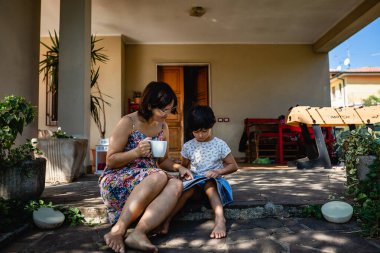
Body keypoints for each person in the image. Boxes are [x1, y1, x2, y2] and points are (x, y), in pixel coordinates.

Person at [99, 81, 192, 253]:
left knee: (176, 183)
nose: (167, 114)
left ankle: (139, 233)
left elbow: (162, 161)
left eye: (169, 109)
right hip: (118, 179)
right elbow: (110, 161)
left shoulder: (163, 126)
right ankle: (118, 230)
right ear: (149, 106)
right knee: (159, 176)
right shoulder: (128, 122)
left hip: (149, 179)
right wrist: (136, 152)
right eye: (163, 110)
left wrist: (179, 167)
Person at [161, 105, 238, 239]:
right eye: (196, 131)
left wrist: (218, 171)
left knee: (209, 185)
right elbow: (184, 167)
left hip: (215, 184)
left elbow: (233, 166)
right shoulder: (188, 146)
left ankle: (220, 220)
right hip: (196, 185)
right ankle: (166, 220)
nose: (200, 135)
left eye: (204, 130)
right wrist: (184, 175)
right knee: (188, 189)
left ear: (211, 126)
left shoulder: (220, 145)